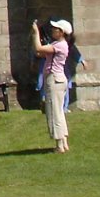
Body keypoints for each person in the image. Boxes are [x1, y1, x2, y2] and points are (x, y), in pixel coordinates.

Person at [32, 17, 73, 153]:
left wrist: (35, 33)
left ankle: (59, 146)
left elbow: (38, 48)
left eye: (56, 29)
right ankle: (64, 142)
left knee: (54, 112)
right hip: (59, 79)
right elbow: (40, 52)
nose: (53, 30)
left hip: (54, 80)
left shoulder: (59, 45)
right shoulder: (60, 45)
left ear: (62, 32)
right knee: (59, 111)